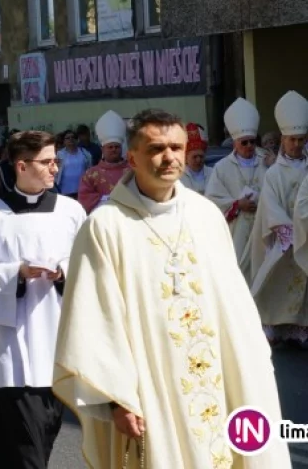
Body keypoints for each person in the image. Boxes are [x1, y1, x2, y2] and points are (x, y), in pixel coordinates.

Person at [53, 108, 290, 469]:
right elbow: (94, 322)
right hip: (154, 383)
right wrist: (116, 399)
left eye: (176, 148)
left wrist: (254, 362)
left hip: (218, 371)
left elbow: (234, 302)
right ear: (132, 157)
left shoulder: (205, 214)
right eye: (156, 149)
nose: (170, 158)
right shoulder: (105, 227)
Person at [0, 130, 85, 468]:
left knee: (36, 436)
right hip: (12, 347)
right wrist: (17, 272)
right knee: (26, 447)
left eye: (55, 161)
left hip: (58, 341)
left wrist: (63, 271)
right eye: (47, 162)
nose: (55, 168)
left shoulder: (72, 213)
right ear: (22, 166)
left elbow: (90, 268)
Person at [246, 90, 308, 346]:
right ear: (283, 139)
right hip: (283, 239)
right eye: (292, 139)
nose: (296, 145)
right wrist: (285, 228)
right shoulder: (273, 174)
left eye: (301, 139)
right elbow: (269, 204)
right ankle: (273, 326)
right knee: (275, 282)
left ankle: (299, 327)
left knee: (302, 287)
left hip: (305, 235)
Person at [205, 98, 269, 267]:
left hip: (264, 228)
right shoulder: (222, 167)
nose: (249, 146)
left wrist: (274, 166)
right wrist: (237, 204)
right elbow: (212, 200)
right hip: (237, 230)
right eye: (244, 142)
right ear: (235, 142)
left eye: (252, 142)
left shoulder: (267, 160)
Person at [77, 111, 129, 213]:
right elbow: (85, 198)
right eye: (110, 147)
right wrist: (108, 200)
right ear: (102, 149)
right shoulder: (91, 174)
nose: (114, 149)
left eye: (117, 147)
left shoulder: (133, 171)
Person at [55, 131, 91, 198]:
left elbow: (90, 170)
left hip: (82, 190)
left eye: (73, 137)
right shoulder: (59, 154)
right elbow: (55, 172)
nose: (70, 139)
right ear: (64, 141)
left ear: (77, 140)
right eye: (67, 138)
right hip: (65, 191)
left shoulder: (85, 153)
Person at [179, 123, 213, 194]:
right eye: (194, 157)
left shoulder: (214, 173)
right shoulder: (178, 176)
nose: (198, 160)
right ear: (185, 157)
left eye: (201, 156)